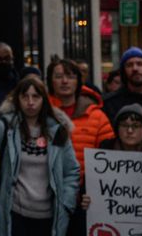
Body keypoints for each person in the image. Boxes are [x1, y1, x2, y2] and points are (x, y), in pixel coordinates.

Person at [0, 78, 80, 236]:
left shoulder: (57, 131)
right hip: (13, 214)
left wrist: (66, 204)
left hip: (49, 217)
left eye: (36, 96)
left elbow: (71, 171)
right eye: (25, 96)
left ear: (44, 99)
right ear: (17, 99)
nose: (30, 102)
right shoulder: (3, 127)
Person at [45, 59, 112, 236]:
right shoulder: (40, 113)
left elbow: (110, 160)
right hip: (45, 199)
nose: (64, 81)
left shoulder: (97, 117)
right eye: (58, 76)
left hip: (86, 202)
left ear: (78, 81)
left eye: (70, 76)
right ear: (50, 81)